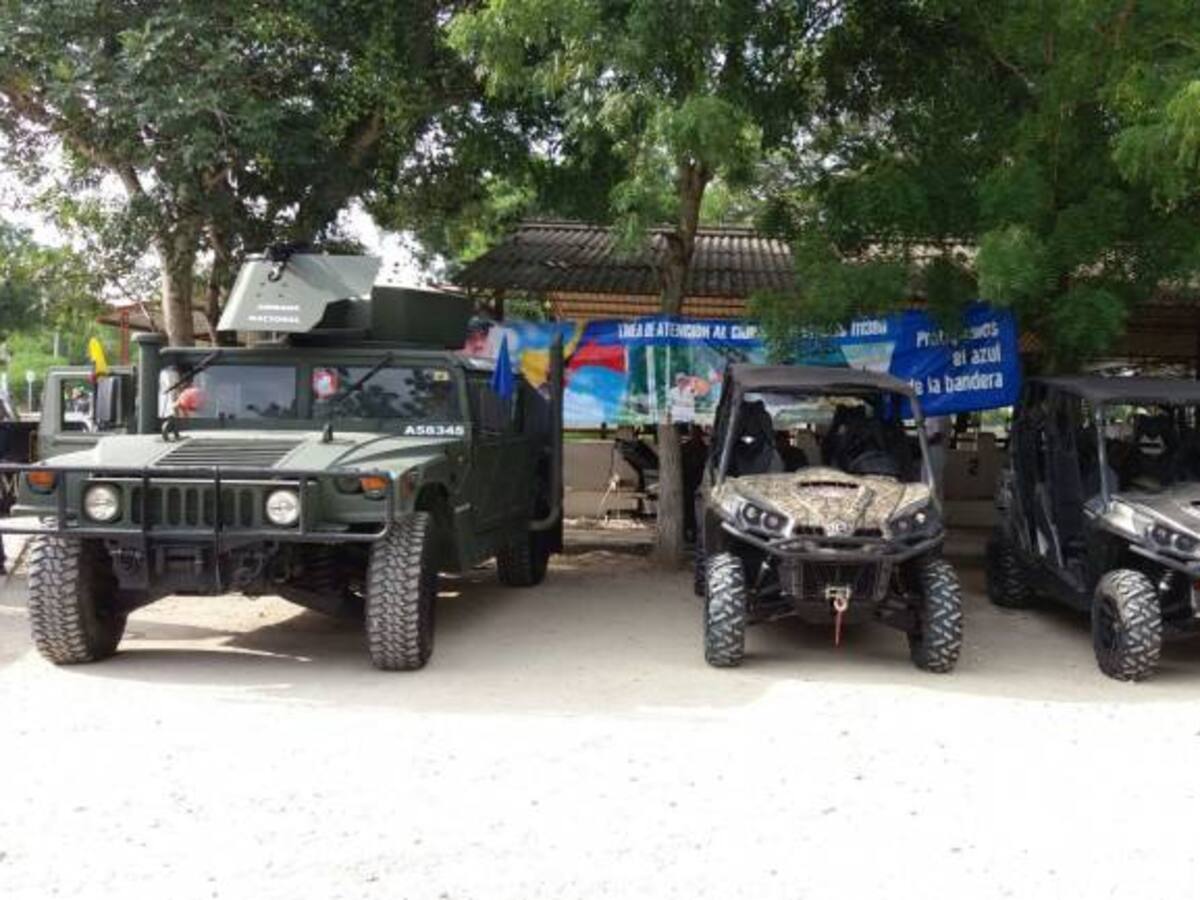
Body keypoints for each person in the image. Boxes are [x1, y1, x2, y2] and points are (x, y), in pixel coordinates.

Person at [925, 414, 950, 499]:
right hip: (936, 451)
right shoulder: (941, 413)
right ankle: (937, 508)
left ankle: (932, 508)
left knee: (931, 482)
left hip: (934, 451)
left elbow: (938, 436)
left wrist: (921, 441)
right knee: (936, 482)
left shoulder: (937, 414)